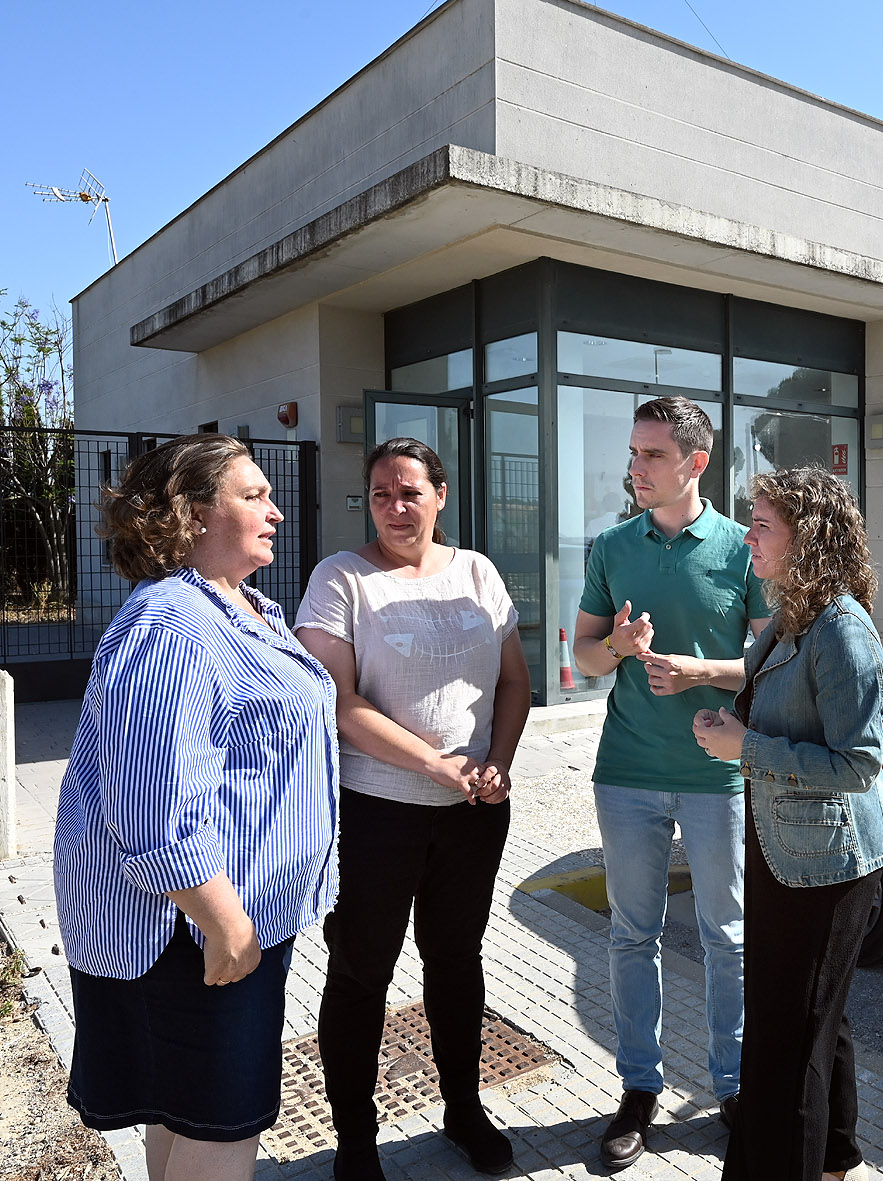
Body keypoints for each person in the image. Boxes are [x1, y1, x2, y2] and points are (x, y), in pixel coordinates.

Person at [54, 434, 338, 1181]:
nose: (275, 510)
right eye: (253, 495)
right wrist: (225, 920)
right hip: (191, 935)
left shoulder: (240, 607)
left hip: (221, 926)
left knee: (182, 1119)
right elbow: (151, 804)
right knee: (221, 1131)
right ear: (191, 513)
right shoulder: (171, 625)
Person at [295, 437, 530, 1179]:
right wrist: (436, 763)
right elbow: (337, 701)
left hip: (473, 812)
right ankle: (356, 1142)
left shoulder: (479, 573)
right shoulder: (341, 579)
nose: (395, 508)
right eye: (380, 494)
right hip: (377, 810)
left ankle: (464, 1109)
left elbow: (514, 686)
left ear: (441, 494)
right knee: (363, 970)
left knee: (457, 959)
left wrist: (499, 761)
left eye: (409, 492)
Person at [571, 396, 770, 1170]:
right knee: (631, 933)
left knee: (727, 936)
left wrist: (697, 670)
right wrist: (618, 645)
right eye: (632, 453)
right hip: (626, 774)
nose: (635, 469)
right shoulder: (613, 545)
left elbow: (761, 665)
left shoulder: (739, 548)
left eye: (651, 456)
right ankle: (639, 1089)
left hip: (717, 775)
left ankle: (732, 1085)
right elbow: (584, 654)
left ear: (695, 463)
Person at [691, 465, 883, 1181]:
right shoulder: (792, 612)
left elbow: (858, 763)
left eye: (761, 524)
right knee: (818, 1019)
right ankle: (836, 1158)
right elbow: (777, 702)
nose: (746, 536)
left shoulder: (842, 627)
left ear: (806, 537)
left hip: (830, 866)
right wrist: (729, 714)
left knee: (788, 1038)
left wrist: (742, 746)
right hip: (790, 848)